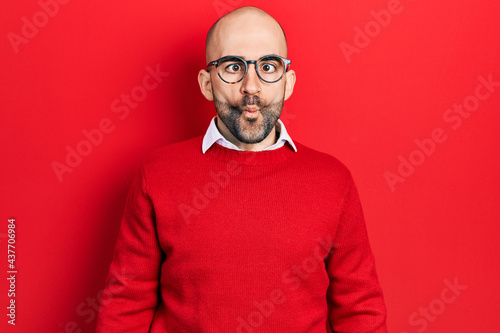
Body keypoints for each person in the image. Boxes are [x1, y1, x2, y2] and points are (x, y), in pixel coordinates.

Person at [95, 6, 387, 333]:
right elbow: (126, 303)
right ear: (207, 83)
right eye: (233, 67)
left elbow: (360, 309)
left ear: (288, 82)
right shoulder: (157, 174)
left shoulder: (333, 181)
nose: (251, 86)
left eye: (268, 66)